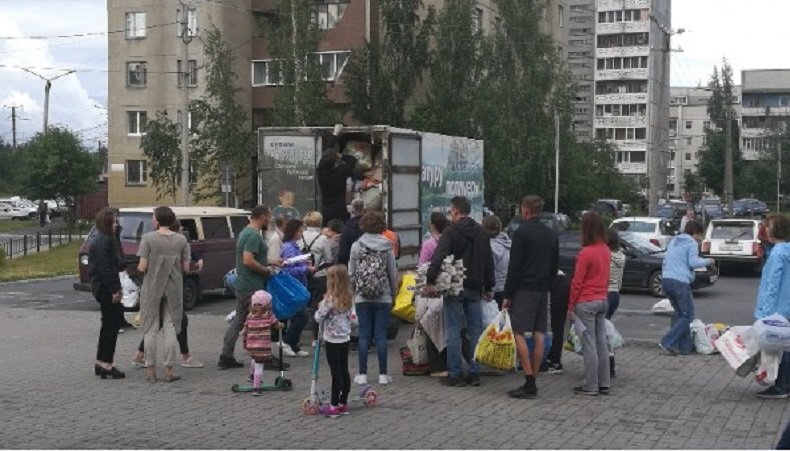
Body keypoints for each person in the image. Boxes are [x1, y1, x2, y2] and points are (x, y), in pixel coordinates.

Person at [427, 196, 494, 388]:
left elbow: (439, 255)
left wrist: (430, 279)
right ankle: (474, 373)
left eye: (451, 210)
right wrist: (489, 286)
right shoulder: (481, 233)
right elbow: (488, 261)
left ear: (456, 211)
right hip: (475, 287)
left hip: (454, 286)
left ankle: (455, 374)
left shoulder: (451, 232)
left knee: (454, 330)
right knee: (475, 330)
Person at [502, 195, 558, 398]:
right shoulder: (551, 234)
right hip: (543, 289)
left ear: (525, 210)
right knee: (540, 333)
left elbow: (514, 267)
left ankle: (529, 379)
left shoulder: (521, 233)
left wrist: (508, 294)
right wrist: (548, 285)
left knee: (518, 332)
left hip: (524, 289)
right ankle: (533, 377)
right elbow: (554, 265)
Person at [131, 220, 204, 369]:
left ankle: (141, 356)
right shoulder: (175, 241)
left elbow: (143, 265)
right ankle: (181, 358)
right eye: (179, 230)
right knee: (176, 322)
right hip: (169, 288)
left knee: (158, 323)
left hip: (155, 288)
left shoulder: (153, 240)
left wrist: (197, 257)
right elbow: (185, 264)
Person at [219, 205, 281, 369]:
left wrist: (273, 261)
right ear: (262, 217)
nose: (269, 220)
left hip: (244, 283)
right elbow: (248, 260)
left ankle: (226, 355)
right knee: (261, 319)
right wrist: (266, 270)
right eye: (268, 217)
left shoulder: (246, 233)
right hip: (252, 285)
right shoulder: (253, 235)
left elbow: (253, 258)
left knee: (239, 320)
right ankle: (264, 357)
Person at [137, 206, 191, 383]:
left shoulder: (148, 239)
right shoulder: (181, 240)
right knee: (170, 326)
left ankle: (151, 370)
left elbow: (142, 266)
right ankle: (169, 369)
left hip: (152, 287)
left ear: (157, 220)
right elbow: (186, 268)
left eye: (153, 216)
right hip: (174, 288)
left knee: (150, 328)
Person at [348, 211, 398, 385]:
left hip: (362, 297)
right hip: (383, 297)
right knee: (380, 336)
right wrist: (393, 293)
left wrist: (354, 292)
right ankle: (383, 375)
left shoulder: (356, 246)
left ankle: (362, 374)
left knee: (363, 336)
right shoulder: (387, 245)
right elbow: (392, 272)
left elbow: (351, 273)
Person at [568, 212, 611, 396]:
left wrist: (571, 305)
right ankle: (604, 382)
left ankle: (590, 385)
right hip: (602, 300)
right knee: (602, 343)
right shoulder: (605, 250)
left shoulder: (585, 253)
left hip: (585, 302)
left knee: (589, 345)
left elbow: (577, 282)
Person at [659, 219, 714, 355]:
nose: (700, 239)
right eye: (699, 235)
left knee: (679, 314)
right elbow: (693, 262)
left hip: (666, 280)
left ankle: (684, 347)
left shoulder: (674, 241)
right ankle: (668, 342)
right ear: (694, 233)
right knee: (687, 315)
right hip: (679, 282)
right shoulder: (691, 243)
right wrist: (709, 260)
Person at [753, 214, 790, 399]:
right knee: (787, 346)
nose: (766, 229)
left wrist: (766, 314)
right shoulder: (788, 251)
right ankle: (787, 384)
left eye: (769, 226)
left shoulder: (777, 253)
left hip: (776, 309)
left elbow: (772, 284)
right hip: (787, 306)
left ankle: (779, 386)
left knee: (777, 348)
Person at [89, 207, 126, 380]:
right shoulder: (105, 241)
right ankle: (107, 363)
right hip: (106, 287)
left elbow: (118, 263)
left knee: (108, 324)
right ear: (108, 223)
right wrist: (114, 290)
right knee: (112, 324)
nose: (117, 224)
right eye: (115, 221)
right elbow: (107, 267)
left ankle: (100, 361)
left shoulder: (102, 239)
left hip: (102, 286)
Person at [314, 265, 355, 417]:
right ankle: (343, 402)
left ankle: (333, 405)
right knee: (344, 370)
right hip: (344, 337)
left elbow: (319, 317)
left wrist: (320, 306)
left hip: (332, 339)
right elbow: (353, 318)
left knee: (335, 373)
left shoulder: (330, 299)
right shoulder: (348, 297)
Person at [417, 212, 451, 377]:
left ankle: (436, 366)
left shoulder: (429, 244)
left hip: (431, 291)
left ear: (433, 225)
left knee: (430, 325)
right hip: (448, 290)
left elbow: (422, 267)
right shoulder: (452, 241)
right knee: (446, 327)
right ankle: (449, 362)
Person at [279, 218, 315, 357]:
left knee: (298, 315)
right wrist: (306, 269)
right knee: (302, 315)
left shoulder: (293, 246)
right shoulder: (289, 247)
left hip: (298, 285)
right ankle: (287, 341)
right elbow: (288, 269)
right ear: (294, 231)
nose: (302, 233)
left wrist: (304, 262)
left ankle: (294, 345)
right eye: (300, 230)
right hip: (294, 286)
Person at [302, 211, 334, 342]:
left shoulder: (300, 236)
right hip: (319, 276)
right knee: (317, 305)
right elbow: (329, 258)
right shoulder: (322, 239)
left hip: (302, 273)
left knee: (302, 304)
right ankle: (316, 337)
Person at [243, 290, 281, 396]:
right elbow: (276, 324)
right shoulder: (268, 315)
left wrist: (245, 343)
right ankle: (256, 387)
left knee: (254, 359)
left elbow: (245, 329)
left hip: (251, 345)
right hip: (262, 346)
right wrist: (281, 326)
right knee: (259, 366)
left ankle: (251, 376)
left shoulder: (250, 315)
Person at [317, 143, 354, 226]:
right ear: (335, 160)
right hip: (339, 208)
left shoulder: (321, 172)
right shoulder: (341, 172)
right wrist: (340, 156)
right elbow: (352, 160)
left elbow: (324, 158)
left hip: (325, 208)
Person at [605, 228, 625, 378]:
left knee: (601, 332)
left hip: (604, 293)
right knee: (606, 328)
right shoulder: (621, 256)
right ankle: (610, 364)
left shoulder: (605, 256)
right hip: (615, 294)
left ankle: (607, 365)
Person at [482, 215, 511, 308]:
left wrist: (490, 290)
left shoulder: (490, 246)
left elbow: (491, 270)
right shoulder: (507, 243)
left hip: (495, 290)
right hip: (505, 288)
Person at [337, 199, 365, 265]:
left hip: (351, 263)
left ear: (351, 209)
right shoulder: (369, 226)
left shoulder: (347, 228)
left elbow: (343, 253)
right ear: (364, 208)